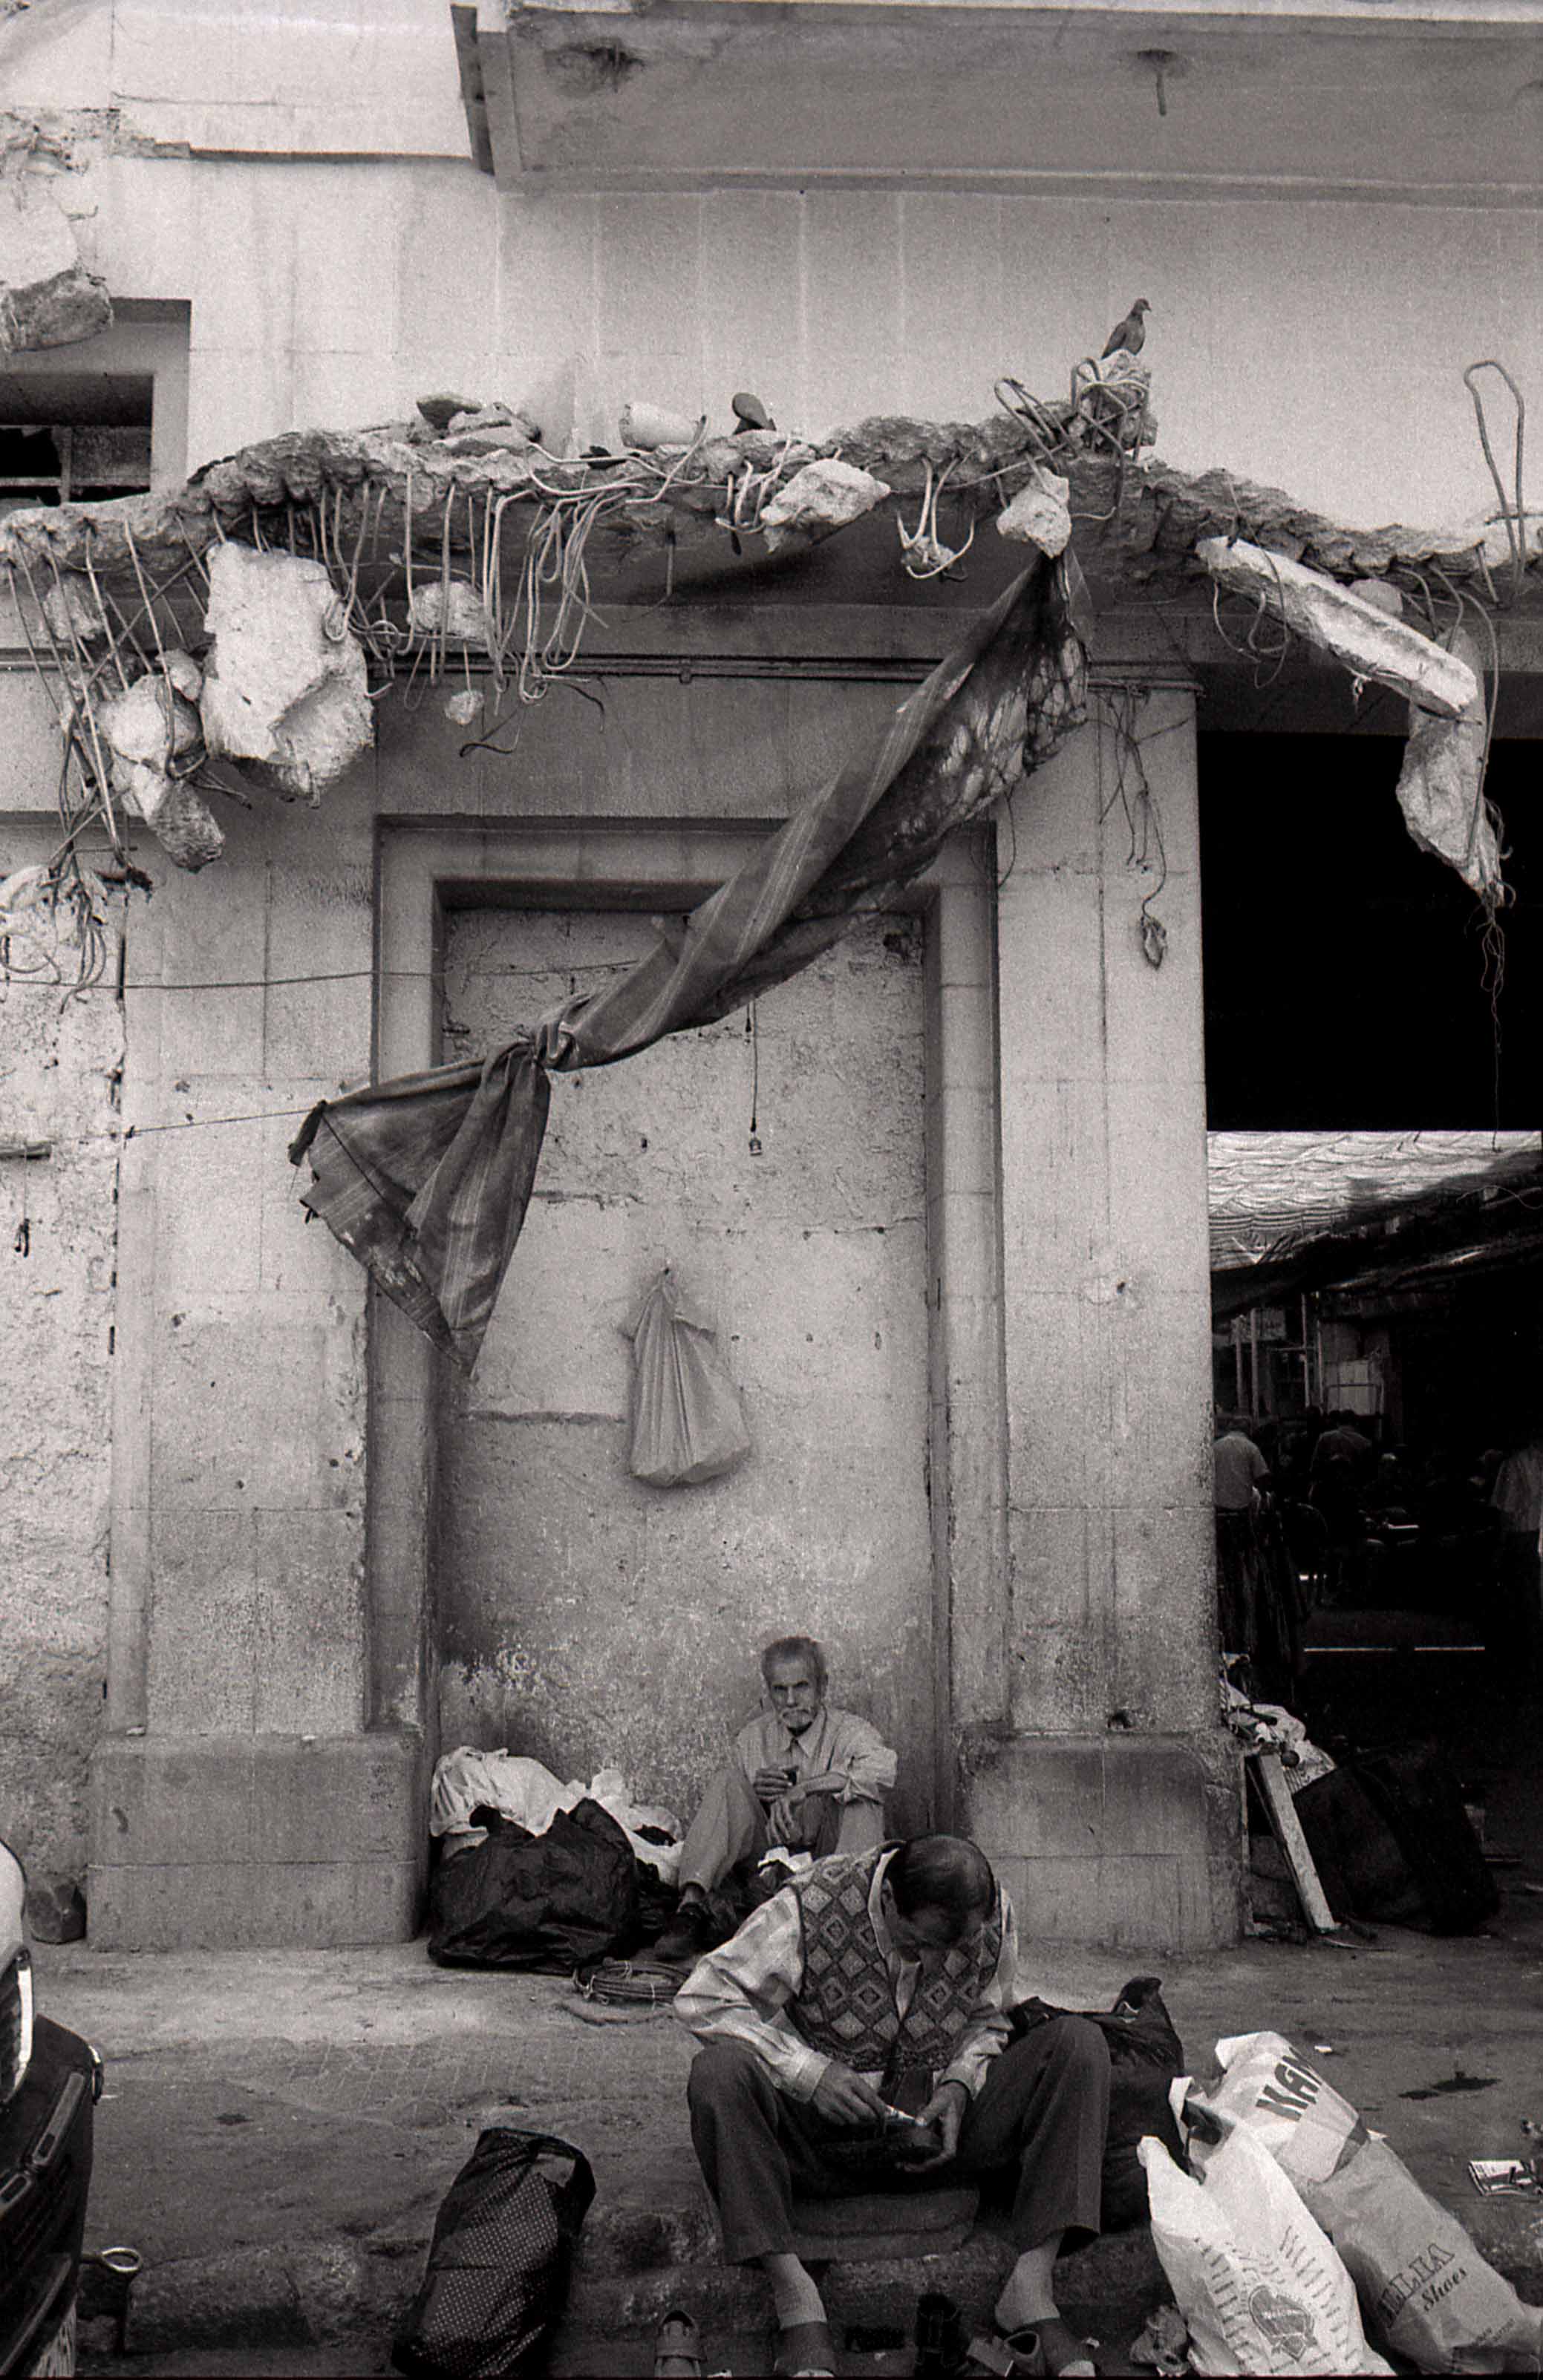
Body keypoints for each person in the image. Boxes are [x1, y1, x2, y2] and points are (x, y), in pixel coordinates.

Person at [676, 1834, 1109, 2380]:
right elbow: (700, 1997)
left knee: (1079, 2045)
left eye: (948, 1952)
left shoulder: (991, 1917)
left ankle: (1031, 2288)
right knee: (718, 2076)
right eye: (916, 1945)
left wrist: (958, 2084)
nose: (930, 1963)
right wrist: (810, 2073)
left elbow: (987, 2017)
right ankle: (795, 2298)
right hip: (822, 2142)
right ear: (887, 1902)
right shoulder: (808, 1905)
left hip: (935, 2136)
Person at [652, 1635, 896, 1965]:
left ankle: (849, 1918)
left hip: (830, 1865)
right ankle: (690, 1909)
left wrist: (808, 1788)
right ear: (768, 1692)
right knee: (728, 1782)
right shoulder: (753, 1738)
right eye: (780, 1690)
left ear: (822, 1687)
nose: (791, 1700)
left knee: (863, 1799)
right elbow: (729, 1820)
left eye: (802, 1687)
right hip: (769, 1865)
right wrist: (756, 1794)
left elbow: (883, 1773)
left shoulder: (851, 1731)